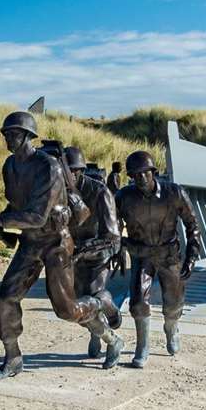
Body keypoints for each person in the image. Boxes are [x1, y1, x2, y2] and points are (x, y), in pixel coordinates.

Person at [0, 111, 122, 378]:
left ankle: (106, 326)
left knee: (67, 310)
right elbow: (16, 205)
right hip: (30, 242)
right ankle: (13, 358)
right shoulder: (10, 166)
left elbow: (36, 216)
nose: (9, 138)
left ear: (28, 136)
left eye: (14, 134)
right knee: (5, 296)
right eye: (6, 134)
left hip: (56, 243)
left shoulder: (49, 167)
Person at [114, 150, 202, 367]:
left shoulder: (174, 193)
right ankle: (142, 347)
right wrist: (118, 249)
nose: (141, 178)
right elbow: (114, 226)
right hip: (141, 255)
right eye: (135, 175)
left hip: (169, 255)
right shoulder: (124, 197)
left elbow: (193, 226)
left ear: (153, 172)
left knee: (173, 303)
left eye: (145, 173)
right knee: (138, 303)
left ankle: (171, 328)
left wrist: (191, 257)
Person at [62, 147, 124, 362]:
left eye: (67, 172)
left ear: (78, 171)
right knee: (76, 308)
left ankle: (112, 319)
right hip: (72, 257)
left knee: (95, 296)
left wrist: (85, 249)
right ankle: (100, 332)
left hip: (98, 253)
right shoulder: (56, 192)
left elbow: (112, 236)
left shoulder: (100, 192)